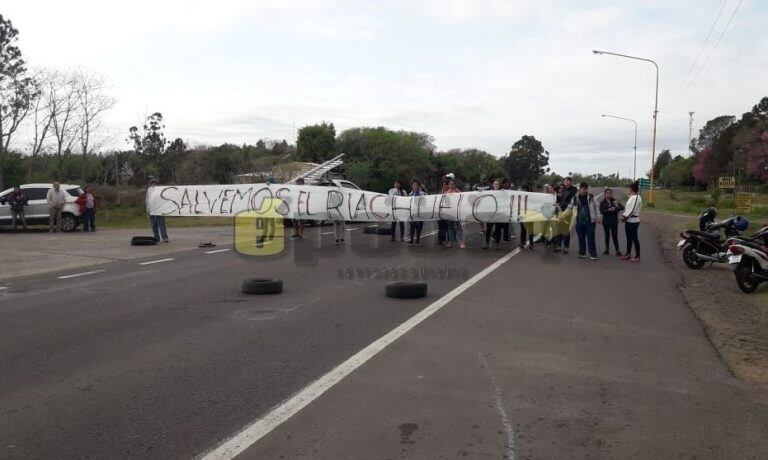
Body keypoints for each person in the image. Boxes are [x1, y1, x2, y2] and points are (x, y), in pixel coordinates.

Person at [568, 182, 600, 260]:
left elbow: (596, 207)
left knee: (590, 238)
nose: (584, 190)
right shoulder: (575, 197)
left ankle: (593, 254)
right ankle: (582, 253)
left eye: (585, 189)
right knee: (581, 238)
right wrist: (563, 213)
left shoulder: (591, 197)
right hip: (579, 221)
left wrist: (598, 217)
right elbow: (570, 206)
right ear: (579, 189)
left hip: (590, 221)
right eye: (582, 189)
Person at [621, 182, 643, 262]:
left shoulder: (636, 197)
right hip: (629, 220)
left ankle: (637, 256)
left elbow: (632, 209)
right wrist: (625, 217)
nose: (628, 189)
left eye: (629, 188)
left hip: (633, 221)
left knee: (634, 238)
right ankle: (628, 253)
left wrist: (624, 217)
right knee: (629, 238)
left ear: (631, 189)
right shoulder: (632, 197)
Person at [554, 177, 577, 253]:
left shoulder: (574, 190)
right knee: (559, 229)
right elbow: (560, 197)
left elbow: (573, 200)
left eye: (567, 181)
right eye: (565, 181)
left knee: (566, 229)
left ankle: (566, 248)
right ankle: (558, 246)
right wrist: (557, 203)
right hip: (560, 210)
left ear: (571, 182)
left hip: (568, 211)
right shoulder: (563, 189)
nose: (566, 182)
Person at [599, 188, 624, 256]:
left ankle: (617, 250)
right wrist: (608, 210)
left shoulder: (615, 201)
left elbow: (622, 207)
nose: (609, 194)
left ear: (612, 194)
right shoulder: (602, 202)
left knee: (614, 236)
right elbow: (601, 211)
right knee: (607, 236)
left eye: (610, 193)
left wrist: (615, 208)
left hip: (614, 221)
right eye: (607, 193)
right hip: (606, 221)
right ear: (605, 194)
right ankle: (607, 250)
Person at [482, 179, 503, 249]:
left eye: (497, 184)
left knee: (498, 229)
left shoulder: (503, 192)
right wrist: (480, 192)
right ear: (493, 185)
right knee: (489, 229)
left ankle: (497, 243)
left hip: (499, 213)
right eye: (495, 184)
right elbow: (483, 196)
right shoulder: (490, 192)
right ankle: (487, 243)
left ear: (500, 185)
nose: (496, 185)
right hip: (491, 213)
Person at [408, 180, 426, 245]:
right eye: (413, 185)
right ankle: (411, 239)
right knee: (412, 226)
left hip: (420, 212)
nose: (414, 186)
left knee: (419, 227)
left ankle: (418, 239)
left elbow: (425, 201)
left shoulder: (422, 193)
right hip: (413, 212)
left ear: (418, 186)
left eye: (416, 185)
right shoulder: (410, 194)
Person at [436, 180, 450, 245]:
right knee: (440, 226)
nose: (444, 186)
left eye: (445, 184)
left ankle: (449, 240)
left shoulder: (450, 192)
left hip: (447, 211)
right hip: (440, 211)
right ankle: (440, 240)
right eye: (443, 184)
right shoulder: (440, 192)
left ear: (448, 185)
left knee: (447, 226)